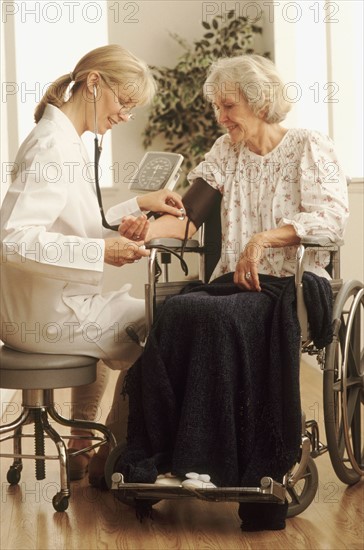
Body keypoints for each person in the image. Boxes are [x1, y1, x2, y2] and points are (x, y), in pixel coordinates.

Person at [117, 54, 349, 530]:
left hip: (294, 282)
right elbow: (187, 216)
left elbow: (329, 218)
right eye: (218, 109)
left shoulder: (308, 146)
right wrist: (140, 232)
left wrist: (261, 241)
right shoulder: (227, 151)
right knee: (179, 311)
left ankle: (215, 460)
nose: (221, 118)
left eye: (228, 107)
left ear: (261, 103)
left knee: (220, 318)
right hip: (235, 282)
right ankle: (165, 457)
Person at [0, 44, 184, 486]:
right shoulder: (51, 146)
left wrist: (137, 204)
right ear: (94, 83)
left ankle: (83, 441)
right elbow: (15, 240)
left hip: (44, 308)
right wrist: (102, 251)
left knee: (123, 313)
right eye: (124, 102)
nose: (125, 115)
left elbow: (74, 222)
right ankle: (119, 449)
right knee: (165, 319)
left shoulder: (64, 138)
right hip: (41, 317)